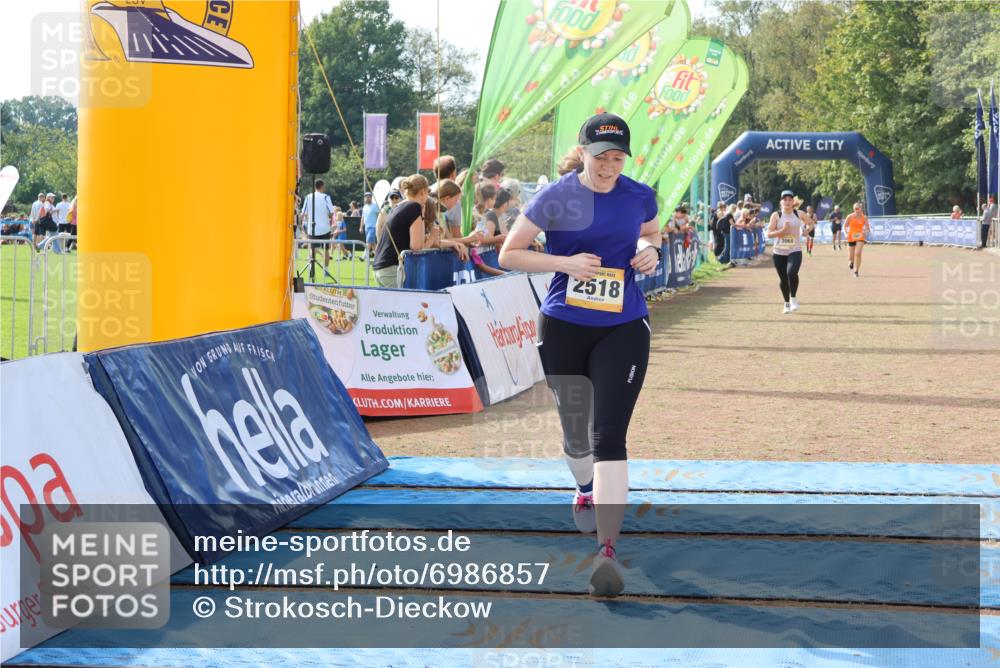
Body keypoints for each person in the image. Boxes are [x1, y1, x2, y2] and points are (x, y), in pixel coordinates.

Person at [498, 113, 661, 598]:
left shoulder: (638, 194)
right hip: (566, 326)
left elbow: (651, 234)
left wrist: (650, 251)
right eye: (601, 157)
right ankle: (585, 487)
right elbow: (510, 253)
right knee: (576, 439)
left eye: (617, 158)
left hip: (624, 326)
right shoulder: (557, 197)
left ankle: (607, 552)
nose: (610, 167)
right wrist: (565, 263)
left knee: (608, 434)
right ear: (583, 152)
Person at [372, 175, 438, 288]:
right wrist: (432, 237)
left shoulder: (399, 206)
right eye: (428, 192)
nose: (428, 197)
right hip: (392, 270)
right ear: (422, 192)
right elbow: (417, 247)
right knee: (407, 304)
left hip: (380, 268)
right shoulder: (415, 207)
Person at [767, 190, 805, 314]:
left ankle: (793, 298)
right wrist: (782, 231)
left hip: (795, 249)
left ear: (793, 202)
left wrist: (807, 230)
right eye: (785, 199)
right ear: (781, 202)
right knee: (783, 279)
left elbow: (810, 223)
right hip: (779, 251)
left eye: (790, 199)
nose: (787, 202)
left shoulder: (799, 214)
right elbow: (769, 234)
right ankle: (786, 303)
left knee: (791, 273)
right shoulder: (776, 215)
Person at [301, 179, 335, 269]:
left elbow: (303, 213)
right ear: (322, 186)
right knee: (326, 249)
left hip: (312, 229)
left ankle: (311, 269)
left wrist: (302, 228)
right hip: (324, 228)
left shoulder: (308, 197)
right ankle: (326, 270)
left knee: (312, 249)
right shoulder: (326, 197)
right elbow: (331, 212)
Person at [844, 201, 871, 277]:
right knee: (851, 257)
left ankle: (856, 271)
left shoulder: (864, 217)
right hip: (851, 236)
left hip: (860, 237)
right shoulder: (850, 216)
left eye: (857, 208)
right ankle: (851, 262)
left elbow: (868, 229)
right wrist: (846, 233)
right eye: (855, 209)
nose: (856, 210)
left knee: (858, 253)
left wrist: (865, 232)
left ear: (860, 208)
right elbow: (845, 226)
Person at [361, 192, 379, 258]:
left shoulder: (375, 206)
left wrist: (379, 226)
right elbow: (363, 217)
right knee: (373, 243)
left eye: (369, 197)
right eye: (366, 197)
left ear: (371, 198)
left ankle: (364, 255)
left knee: (368, 241)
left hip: (373, 227)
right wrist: (361, 227)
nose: (367, 198)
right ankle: (378, 256)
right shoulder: (364, 207)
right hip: (366, 228)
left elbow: (379, 216)